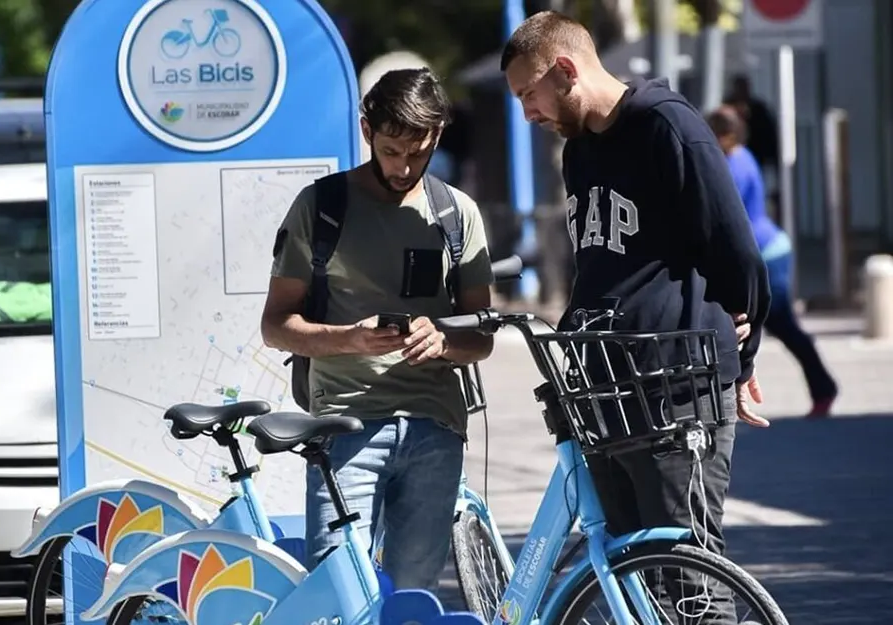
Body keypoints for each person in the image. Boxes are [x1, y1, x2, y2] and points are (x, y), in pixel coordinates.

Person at [500, 10, 771, 621]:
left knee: (688, 578)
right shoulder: (579, 153)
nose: (528, 113)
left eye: (529, 95)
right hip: (606, 392)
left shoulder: (666, 126)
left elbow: (736, 253)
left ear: (565, 70)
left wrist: (741, 358)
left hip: (675, 387)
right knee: (629, 580)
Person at [260, 68, 495, 591]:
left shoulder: (457, 213)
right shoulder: (321, 208)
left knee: (411, 596)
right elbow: (275, 325)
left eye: (419, 152)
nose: (404, 167)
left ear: (437, 136)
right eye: (391, 151)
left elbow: (481, 336)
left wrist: (444, 340)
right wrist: (349, 339)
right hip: (344, 425)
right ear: (367, 130)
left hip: (435, 425)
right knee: (338, 589)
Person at [707, 105, 838, 417]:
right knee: (761, 328)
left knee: (779, 326)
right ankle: (823, 388)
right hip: (768, 248)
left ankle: (824, 388)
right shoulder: (739, 157)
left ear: (726, 135)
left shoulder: (734, 166)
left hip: (765, 254)